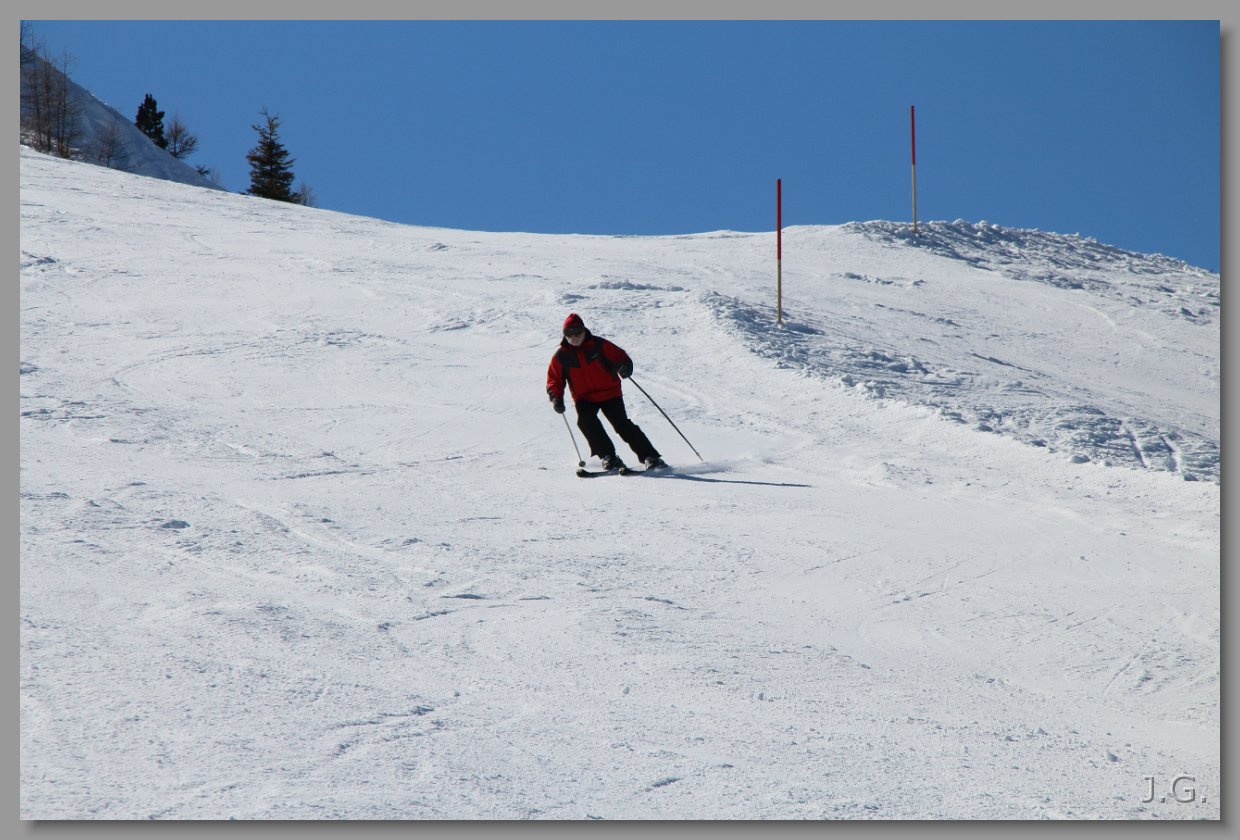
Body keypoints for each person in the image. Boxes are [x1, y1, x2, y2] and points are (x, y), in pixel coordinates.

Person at [546, 313, 668, 471]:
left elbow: (620, 356)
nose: (574, 337)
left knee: (621, 424)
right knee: (585, 422)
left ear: (584, 331)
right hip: (584, 398)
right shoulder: (561, 356)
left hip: (610, 393)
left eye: (578, 332)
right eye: (569, 333)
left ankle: (651, 457)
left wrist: (625, 366)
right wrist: (556, 397)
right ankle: (608, 456)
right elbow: (554, 379)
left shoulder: (599, 345)